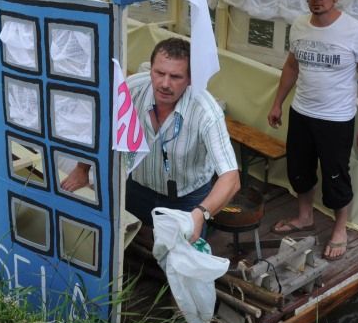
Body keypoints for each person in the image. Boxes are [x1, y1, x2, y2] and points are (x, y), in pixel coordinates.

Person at [61, 39, 239, 244]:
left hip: (185, 199)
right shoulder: (131, 89)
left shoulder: (206, 111)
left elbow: (231, 178)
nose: (164, 84)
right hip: (136, 187)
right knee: (123, 244)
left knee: (181, 261)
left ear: (190, 79)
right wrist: (82, 169)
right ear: (151, 68)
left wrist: (199, 215)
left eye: (175, 77)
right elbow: (100, 126)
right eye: (159, 73)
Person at [267, 0, 358, 261]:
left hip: (336, 119)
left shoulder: (355, 31)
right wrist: (278, 102)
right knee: (299, 170)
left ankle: (340, 228)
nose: (316, 0)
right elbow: (292, 66)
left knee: (335, 176)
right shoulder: (300, 25)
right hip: (301, 112)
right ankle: (305, 217)